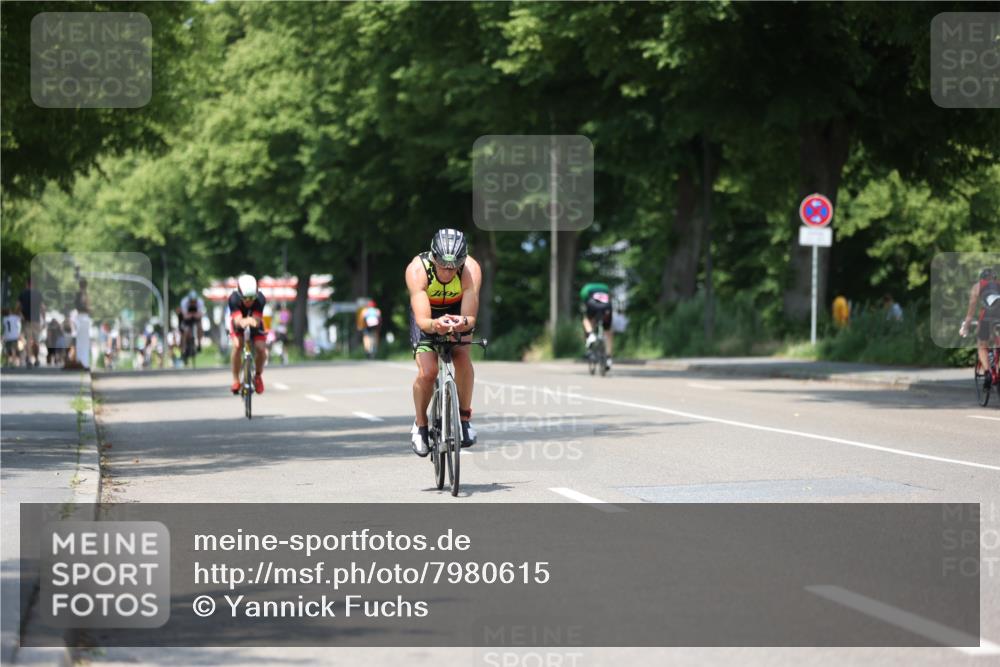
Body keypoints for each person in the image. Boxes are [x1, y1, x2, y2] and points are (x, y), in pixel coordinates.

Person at [405, 229, 481, 456]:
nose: (447, 272)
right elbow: (422, 320)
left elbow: (471, 318)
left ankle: (464, 419)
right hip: (428, 315)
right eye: (442, 265)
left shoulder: (471, 269)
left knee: (463, 358)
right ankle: (420, 425)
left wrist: (462, 322)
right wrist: (435, 325)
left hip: (458, 312)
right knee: (427, 372)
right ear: (433, 256)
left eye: (453, 266)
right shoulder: (417, 270)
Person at [960, 268, 1000, 388]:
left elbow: (971, 312)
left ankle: (988, 373)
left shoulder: (977, 286)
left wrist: (965, 327)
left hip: (988, 315)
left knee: (982, 345)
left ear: (982, 278)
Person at [228, 274, 267, 394]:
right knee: (238, 345)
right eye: (246, 298)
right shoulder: (233, 299)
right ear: (240, 295)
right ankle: (235, 379)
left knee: (261, 348)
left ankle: (258, 376)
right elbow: (238, 320)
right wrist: (243, 321)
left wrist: (251, 321)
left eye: (252, 298)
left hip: (255, 324)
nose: (249, 301)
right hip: (238, 325)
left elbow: (256, 321)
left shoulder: (260, 298)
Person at [580, 281, 614, 371]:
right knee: (608, 331)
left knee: (586, 320)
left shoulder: (586, 289)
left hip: (593, 305)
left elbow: (585, 302)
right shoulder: (605, 288)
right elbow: (610, 297)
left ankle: (591, 335)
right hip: (607, 306)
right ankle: (609, 358)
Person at [17, 278, 44, 367]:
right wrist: (44, 318)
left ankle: (29, 359)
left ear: (27, 284)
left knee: (28, 340)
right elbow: (42, 307)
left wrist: (20, 315)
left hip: (26, 320)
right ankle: (36, 359)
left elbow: (18, 307)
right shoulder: (38, 294)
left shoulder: (22, 294)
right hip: (36, 320)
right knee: (36, 341)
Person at [179, 289, 206, 354]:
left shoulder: (200, 302)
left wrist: (192, 315)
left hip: (194, 317)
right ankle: (184, 347)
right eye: (191, 302)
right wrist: (193, 315)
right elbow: (185, 316)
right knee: (185, 330)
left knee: (200, 327)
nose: (193, 303)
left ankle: (199, 343)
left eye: (194, 302)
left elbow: (200, 314)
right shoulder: (184, 302)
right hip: (186, 319)